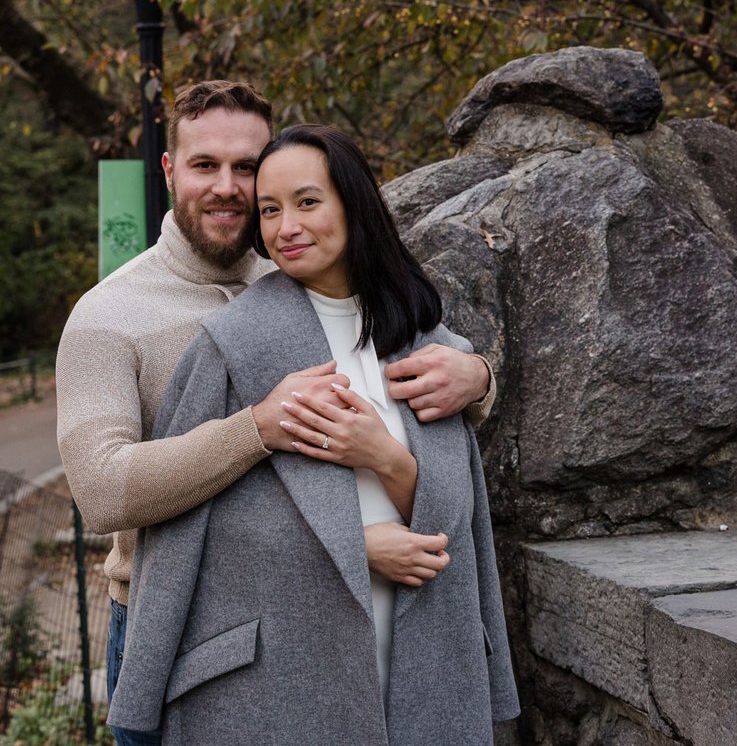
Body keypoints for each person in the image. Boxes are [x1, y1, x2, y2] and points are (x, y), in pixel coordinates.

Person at [55, 81, 495, 746]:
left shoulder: (307, 276)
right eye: (205, 165)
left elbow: (406, 419)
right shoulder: (109, 315)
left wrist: (481, 376)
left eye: (247, 170)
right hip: (167, 624)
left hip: (316, 639)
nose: (228, 187)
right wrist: (257, 428)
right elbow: (104, 491)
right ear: (171, 171)